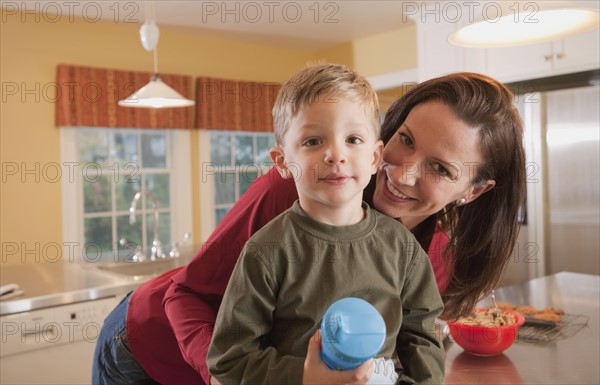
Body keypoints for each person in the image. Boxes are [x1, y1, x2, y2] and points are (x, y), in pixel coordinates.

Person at [92, 68, 526, 385]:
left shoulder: (430, 254)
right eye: (406, 140)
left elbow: (413, 338)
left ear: (473, 191)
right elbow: (186, 294)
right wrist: (231, 377)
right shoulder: (302, 191)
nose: (401, 172)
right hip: (151, 345)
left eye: (440, 168)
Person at [205, 64, 445, 384]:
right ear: (283, 162)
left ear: (375, 158)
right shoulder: (265, 251)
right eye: (313, 141)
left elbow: (423, 335)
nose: (335, 154)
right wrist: (304, 376)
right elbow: (228, 360)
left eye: (353, 138)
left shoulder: (403, 248)